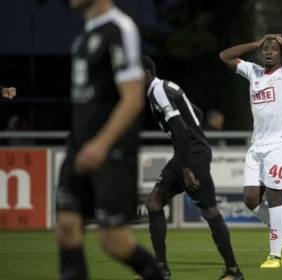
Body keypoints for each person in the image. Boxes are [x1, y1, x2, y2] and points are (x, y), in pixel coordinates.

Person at [55, 1, 164, 280]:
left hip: (111, 152)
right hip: (79, 146)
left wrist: (101, 144)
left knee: (113, 242)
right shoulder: (83, 34)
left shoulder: (120, 28)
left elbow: (133, 98)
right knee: (66, 227)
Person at [140, 55, 244, 280]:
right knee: (153, 203)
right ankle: (161, 270)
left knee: (210, 210)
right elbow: (196, 113)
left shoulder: (159, 91)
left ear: (147, 73)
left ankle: (234, 271)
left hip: (191, 156)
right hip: (185, 153)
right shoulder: (166, 87)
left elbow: (181, 131)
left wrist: (187, 168)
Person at [219, 34, 282, 268]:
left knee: (273, 197)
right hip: (257, 145)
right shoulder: (254, 72)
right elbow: (225, 56)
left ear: (281, 53)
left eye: (274, 49)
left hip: (281, 143)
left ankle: (275, 255)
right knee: (251, 200)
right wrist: (256, 43)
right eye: (265, 49)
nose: (268, 52)